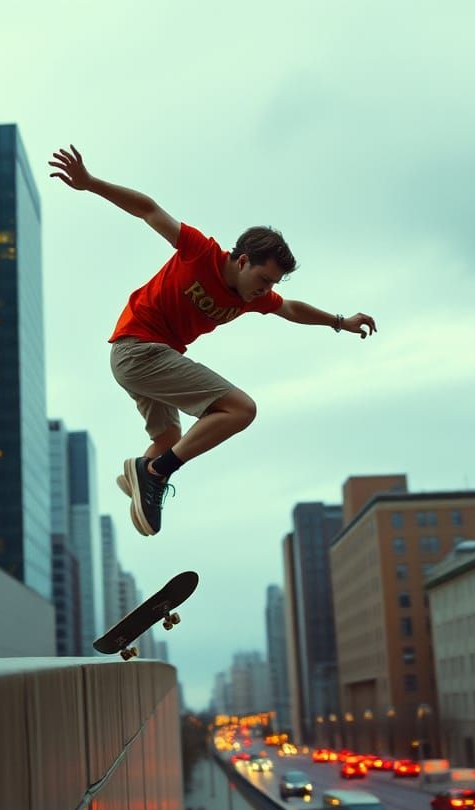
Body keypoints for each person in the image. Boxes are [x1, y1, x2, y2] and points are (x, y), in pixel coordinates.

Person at [48, 145, 378, 537]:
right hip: (138, 349)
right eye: (263, 280)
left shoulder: (250, 296)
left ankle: (140, 477)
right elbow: (149, 210)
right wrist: (90, 184)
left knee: (170, 439)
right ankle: (153, 472)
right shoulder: (200, 252)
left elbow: (290, 308)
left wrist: (338, 321)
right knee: (241, 409)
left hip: (150, 360)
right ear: (242, 261)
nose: (264, 291)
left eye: (271, 284)